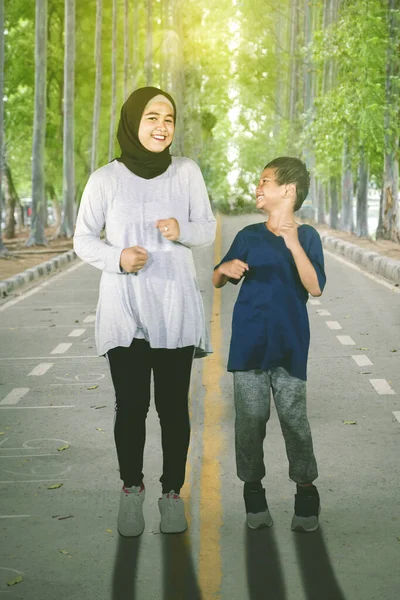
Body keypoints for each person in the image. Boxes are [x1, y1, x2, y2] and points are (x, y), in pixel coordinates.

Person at [73, 87, 216, 537]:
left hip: (174, 308)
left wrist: (182, 230)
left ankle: (172, 495)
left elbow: (207, 229)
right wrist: (117, 258)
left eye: (169, 118)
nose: (161, 126)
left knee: (174, 408)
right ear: (133, 122)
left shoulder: (186, 172)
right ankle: (131, 491)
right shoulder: (105, 179)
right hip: (126, 309)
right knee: (131, 408)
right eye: (152, 117)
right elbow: (82, 239)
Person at [212, 157, 326, 533]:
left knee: (295, 421)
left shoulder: (307, 237)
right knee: (250, 422)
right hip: (248, 348)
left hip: (290, 347)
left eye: (265, 181)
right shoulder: (248, 235)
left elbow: (314, 287)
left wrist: (292, 242)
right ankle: (253, 491)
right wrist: (223, 270)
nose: (257, 188)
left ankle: (306, 491)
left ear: (288, 191)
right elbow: (218, 277)